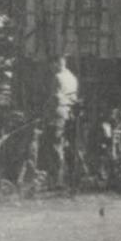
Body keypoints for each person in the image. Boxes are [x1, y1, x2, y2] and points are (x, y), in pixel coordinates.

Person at [48, 53, 79, 186]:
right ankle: (71, 176)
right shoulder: (72, 77)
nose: (50, 68)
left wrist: (46, 112)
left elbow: (55, 98)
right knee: (68, 144)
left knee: (56, 145)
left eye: (51, 65)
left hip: (59, 112)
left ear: (56, 63)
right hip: (70, 113)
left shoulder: (57, 77)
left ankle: (58, 179)